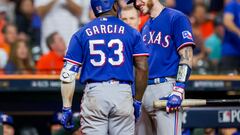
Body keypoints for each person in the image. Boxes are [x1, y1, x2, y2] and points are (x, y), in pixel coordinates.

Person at [60, 0, 149, 134]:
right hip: (122, 93)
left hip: (95, 93)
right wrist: (137, 100)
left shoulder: (81, 33)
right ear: (114, 5)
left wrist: (66, 107)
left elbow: (68, 74)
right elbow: (142, 67)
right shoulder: (131, 32)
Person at [127, 0, 195, 134]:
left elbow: (186, 55)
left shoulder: (176, 18)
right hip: (143, 92)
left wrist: (178, 89)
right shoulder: (145, 26)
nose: (137, 3)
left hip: (165, 89)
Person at [221, 0, 240, 74]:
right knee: (228, 82)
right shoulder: (233, 4)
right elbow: (227, 21)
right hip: (231, 51)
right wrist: (238, 32)